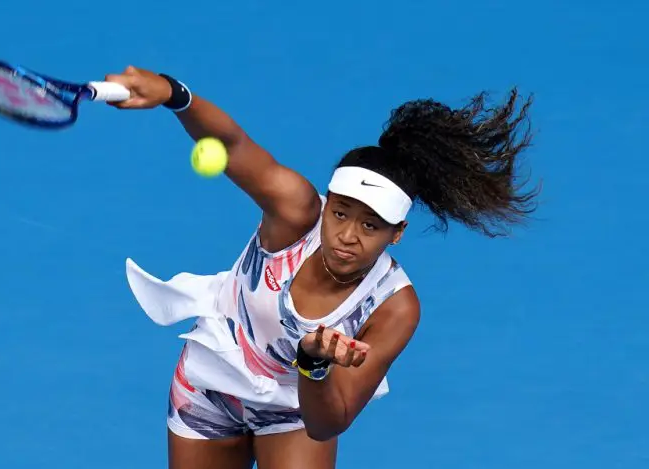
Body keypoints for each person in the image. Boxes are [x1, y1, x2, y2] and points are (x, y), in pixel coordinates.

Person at [105, 66, 539, 469]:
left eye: (370, 225)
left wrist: (312, 363)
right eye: (341, 213)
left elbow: (329, 422)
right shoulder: (295, 213)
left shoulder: (394, 307)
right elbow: (234, 145)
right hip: (210, 383)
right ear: (327, 204)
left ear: (397, 233)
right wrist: (174, 93)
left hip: (296, 408)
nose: (348, 235)